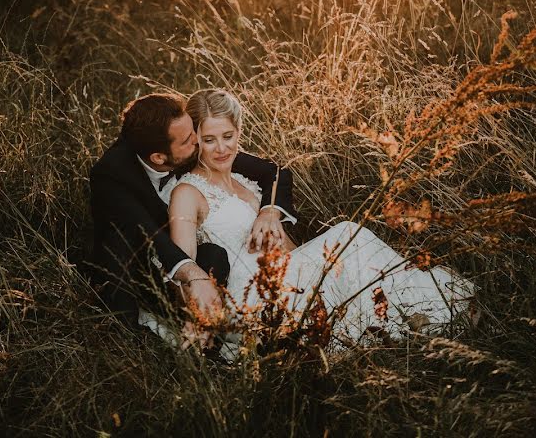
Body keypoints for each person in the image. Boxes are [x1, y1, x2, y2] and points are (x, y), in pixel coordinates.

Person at [169, 89, 475, 346]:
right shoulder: (187, 192)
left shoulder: (242, 177)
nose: (222, 148)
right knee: (346, 233)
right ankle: (428, 309)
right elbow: (182, 268)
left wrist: (273, 219)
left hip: (283, 274)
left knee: (347, 252)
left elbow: (284, 242)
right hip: (249, 297)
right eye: (209, 139)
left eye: (228, 136)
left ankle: (417, 313)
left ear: (239, 132)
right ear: (194, 138)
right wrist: (199, 321)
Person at [87, 93, 298, 328]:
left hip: (194, 247)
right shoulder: (112, 176)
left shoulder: (186, 143)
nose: (197, 141)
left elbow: (274, 172)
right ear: (159, 157)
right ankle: (127, 331)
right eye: (190, 139)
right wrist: (193, 276)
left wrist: (269, 212)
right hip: (137, 263)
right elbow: (148, 234)